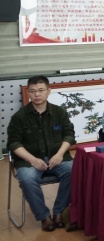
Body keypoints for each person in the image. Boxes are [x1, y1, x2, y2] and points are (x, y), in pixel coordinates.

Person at [7, 75, 75, 232]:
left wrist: (59, 154)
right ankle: (44, 216)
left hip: (57, 158)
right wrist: (32, 160)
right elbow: (13, 143)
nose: (37, 94)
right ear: (28, 93)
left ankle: (59, 212)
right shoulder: (19, 117)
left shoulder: (59, 112)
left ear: (49, 91)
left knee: (74, 170)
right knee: (27, 178)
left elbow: (69, 135)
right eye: (32, 91)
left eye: (41, 90)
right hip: (28, 161)